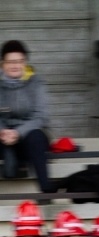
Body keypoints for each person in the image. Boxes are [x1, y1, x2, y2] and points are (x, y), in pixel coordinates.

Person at [0, 40, 56, 193]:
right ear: (2, 64)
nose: (15, 65)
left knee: (35, 137)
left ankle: (46, 190)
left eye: (19, 61)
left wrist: (18, 133)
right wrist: (3, 131)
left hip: (30, 136)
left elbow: (41, 116)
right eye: (11, 61)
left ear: (25, 62)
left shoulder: (36, 83)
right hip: (3, 136)